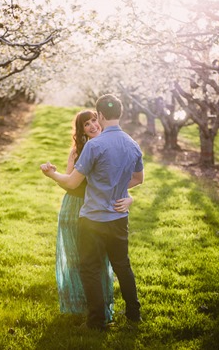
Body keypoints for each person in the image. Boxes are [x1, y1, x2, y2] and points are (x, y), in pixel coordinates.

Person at [41, 94, 144, 331]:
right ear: (122, 113)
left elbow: (72, 183)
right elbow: (138, 178)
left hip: (93, 218)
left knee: (90, 267)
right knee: (123, 265)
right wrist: (118, 189)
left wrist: (51, 174)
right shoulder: (132, 144)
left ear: (99, 115)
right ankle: (133, 314)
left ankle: (96, 322)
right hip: (119, 217)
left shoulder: (95, 145)